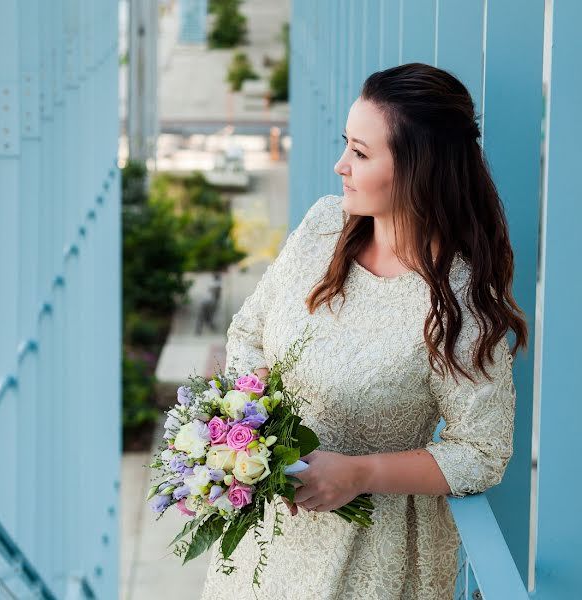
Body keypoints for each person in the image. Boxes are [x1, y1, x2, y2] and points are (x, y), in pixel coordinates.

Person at [199, 63, 528, 600]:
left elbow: (483, 452)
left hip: (365, 554)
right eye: (345, 145)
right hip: (263, 538)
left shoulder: (459, 304)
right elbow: (248, 331)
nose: (340, 166)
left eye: (361, 153)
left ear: (418, 170)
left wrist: (358, 473)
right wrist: (253, 414)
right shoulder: (323, 226)